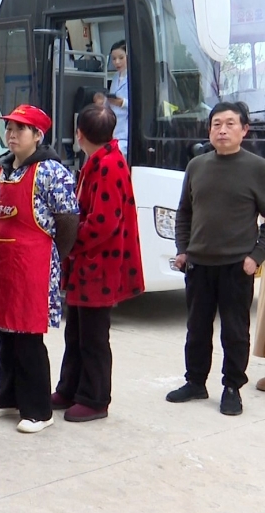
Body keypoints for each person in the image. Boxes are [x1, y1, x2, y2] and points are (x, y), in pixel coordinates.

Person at [0, 105, 80, 434]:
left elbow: (68, 221)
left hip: (33, 264)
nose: (11, 135)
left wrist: (53, 256)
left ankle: (38, 409)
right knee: (5, 336)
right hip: (1, 264)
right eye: (9, 128)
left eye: (19, 129)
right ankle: (7, 398)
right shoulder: (3, 168)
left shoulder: (52, 172)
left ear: (38, 135)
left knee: (28, 341)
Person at [168, 101, 265, 416]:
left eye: (230, 124)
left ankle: (232, 387)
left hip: (237, 266)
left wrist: (256, 256)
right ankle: (195, 381)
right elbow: (184, 212)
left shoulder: (257, 168)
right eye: (216, 124)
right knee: (196, 329)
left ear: (244, 129)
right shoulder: (197, 165)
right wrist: (183, 249)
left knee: (235, 332)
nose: (222, 130)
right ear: (209, 129)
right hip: (199, 264)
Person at [53, 105, 145, 423]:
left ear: (78, 134)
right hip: (87, 262)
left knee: (93, 336)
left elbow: (103, 223)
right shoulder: (100, 159)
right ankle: (70, 388)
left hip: (99, 263)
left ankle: (95, 398)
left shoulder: (109, 165)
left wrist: (68, 241)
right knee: (76, 332)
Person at [106, 40, 129, 158]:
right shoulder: (115, 77)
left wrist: (122, 103)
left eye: (121, 58)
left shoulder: (133, 77)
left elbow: (141, 105)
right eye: (114, 59)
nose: (117, 62)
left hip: (126, 132)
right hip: (114, 129)